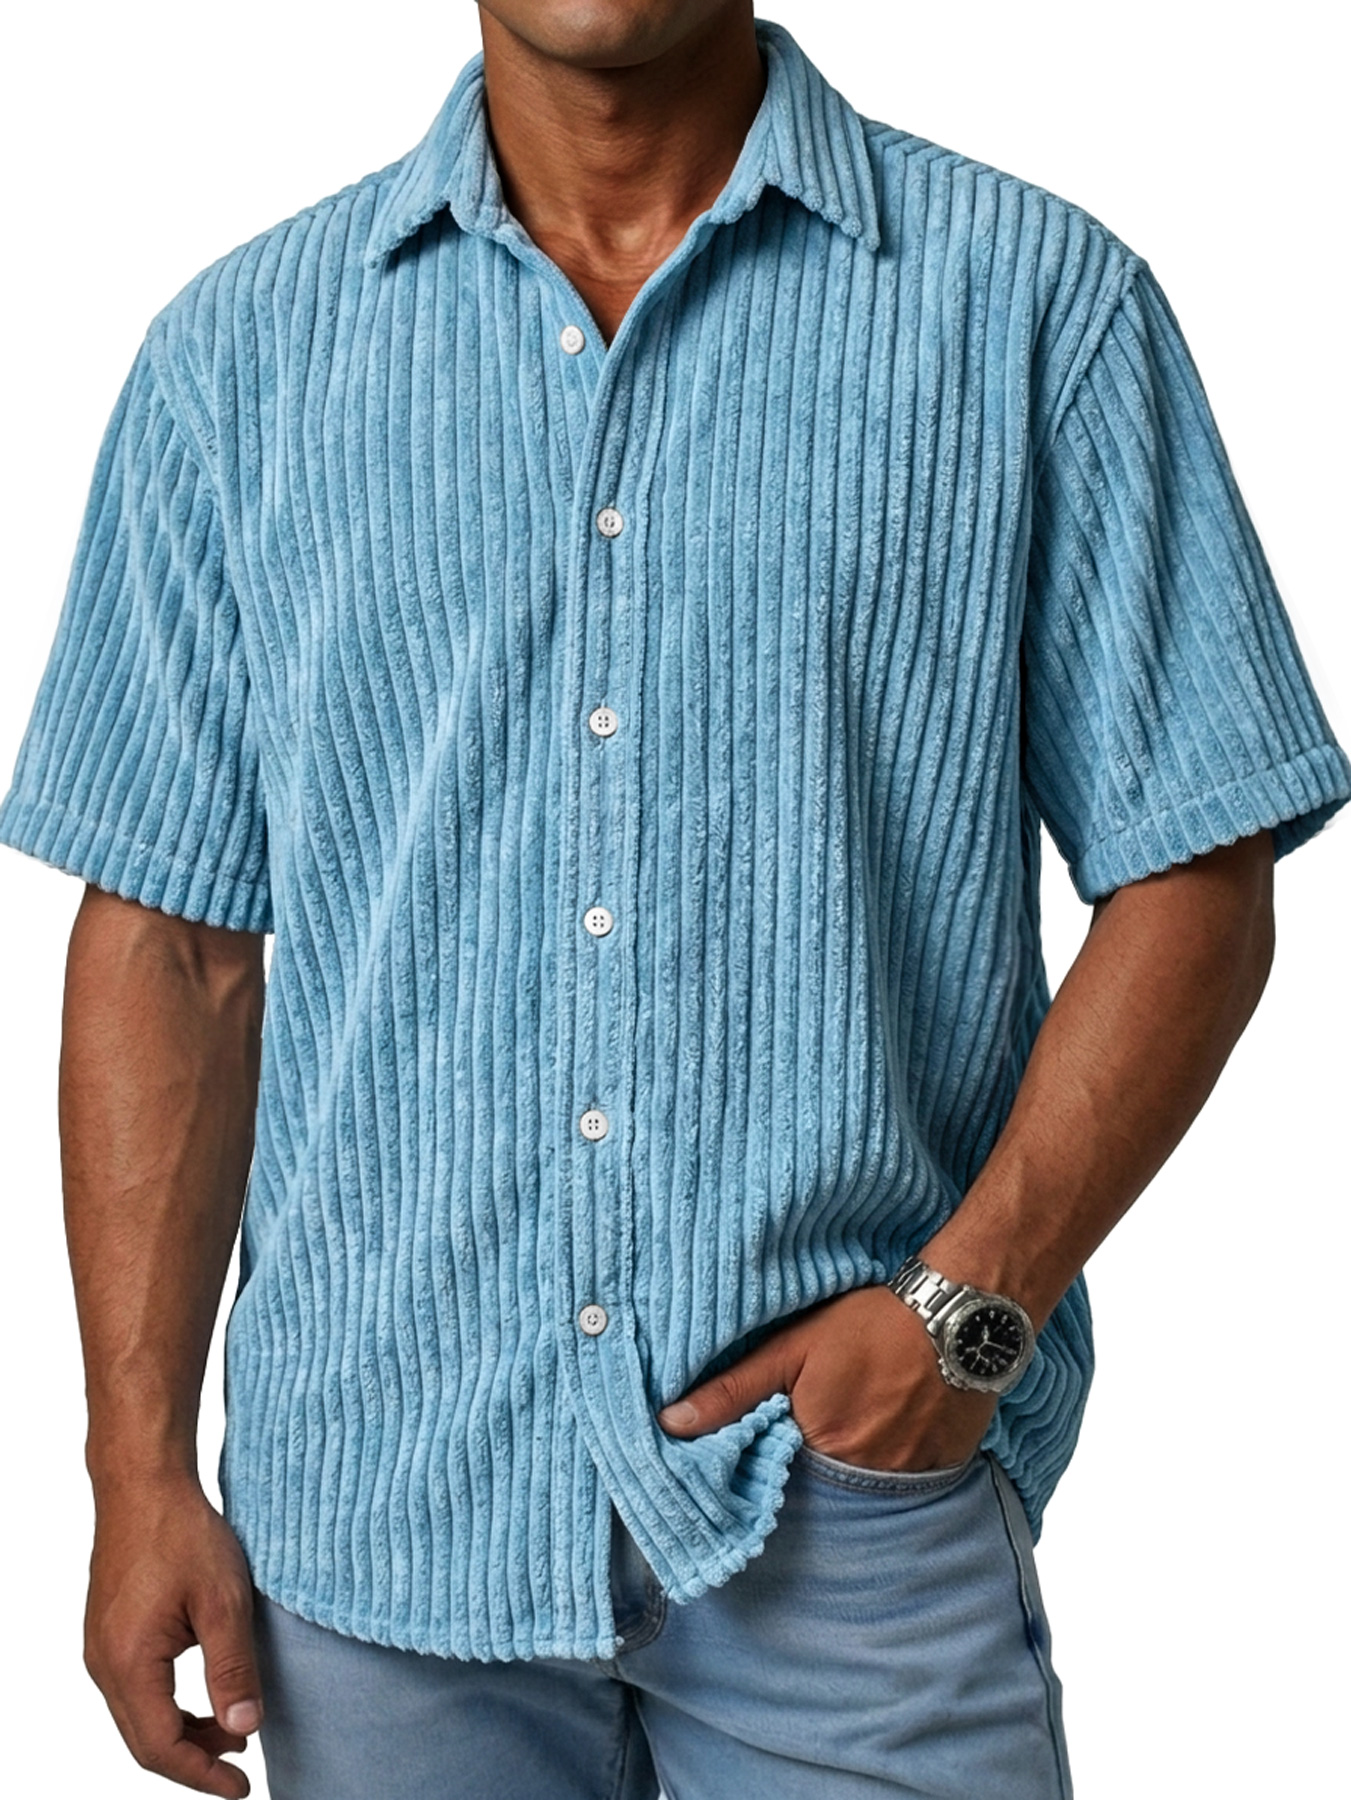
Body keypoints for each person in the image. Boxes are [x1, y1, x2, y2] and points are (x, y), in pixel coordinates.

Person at [0, 3, 1346, 1796]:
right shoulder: (235, 359)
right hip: (376, 1526)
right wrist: (136, 1469)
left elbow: (1197, 863)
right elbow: (170, 943)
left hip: (846, 1514)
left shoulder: (1034, 303)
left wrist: (965, 1314)